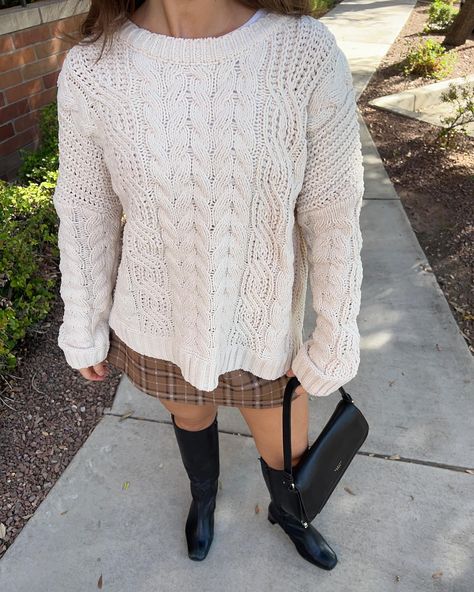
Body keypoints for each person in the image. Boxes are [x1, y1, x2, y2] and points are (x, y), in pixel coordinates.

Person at [52, 0, 365, 571]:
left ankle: (290, 513)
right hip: (159, 321)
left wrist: (337, 330)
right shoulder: (93, 68)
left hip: (262, 323)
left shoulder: (302, 52)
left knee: (286, 450)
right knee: (189, 417)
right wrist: (84, 320)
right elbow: (84, 209)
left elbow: (333, 209)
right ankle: (204, 497)